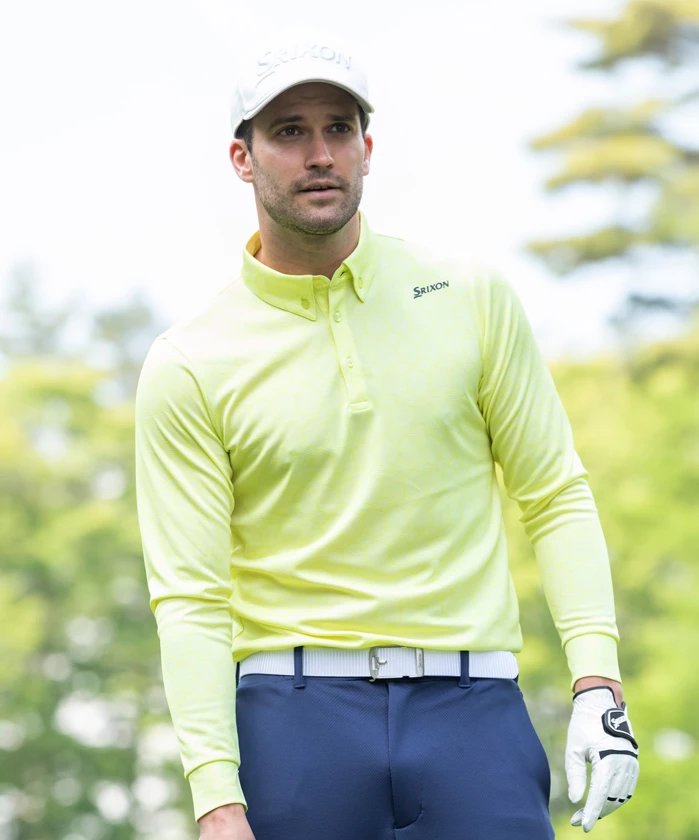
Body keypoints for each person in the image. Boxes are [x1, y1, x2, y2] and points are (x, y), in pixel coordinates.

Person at [135, 35, 639, 840]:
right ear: (242, 158)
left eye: (338, 128)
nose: (320, 154)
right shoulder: (191, 361)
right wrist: (215, 797)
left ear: (366, 148)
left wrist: (596, 685)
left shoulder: (470, 297)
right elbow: (190, 596)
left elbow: (553, 494)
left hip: (473, 710)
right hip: (292, 721)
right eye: (289, 132)